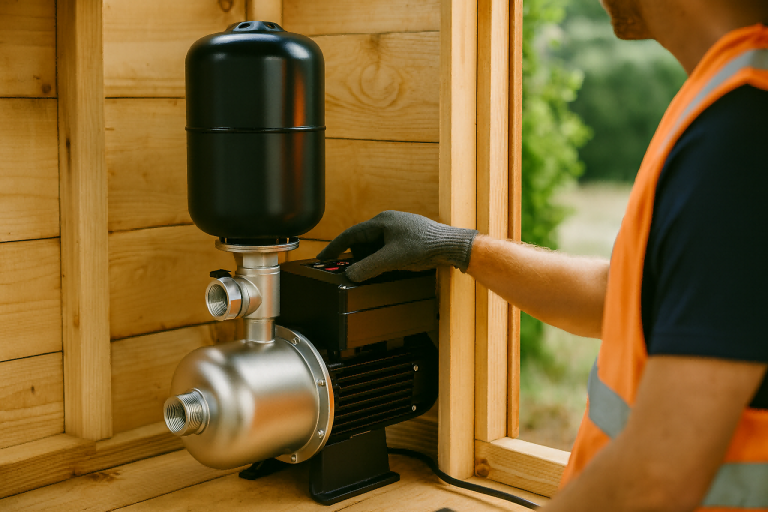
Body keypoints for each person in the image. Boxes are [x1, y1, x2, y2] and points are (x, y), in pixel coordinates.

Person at [317, 0, 768, 509]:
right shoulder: (726, 99)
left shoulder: (743, 135)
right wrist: (456, 246)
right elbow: (619, 299)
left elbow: (656, 478)